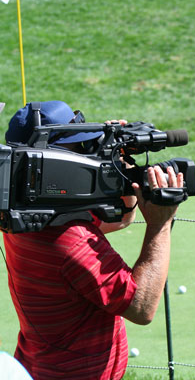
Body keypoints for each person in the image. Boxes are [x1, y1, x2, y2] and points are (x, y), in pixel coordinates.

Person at [2, 101, 184, 379]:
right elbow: (141, 307)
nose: (86, 155)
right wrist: (160, 224)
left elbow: (121, 218)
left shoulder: (25, 217)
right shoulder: (69, 239)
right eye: (80, 147)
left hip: (41, 365)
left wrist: (116, 160)